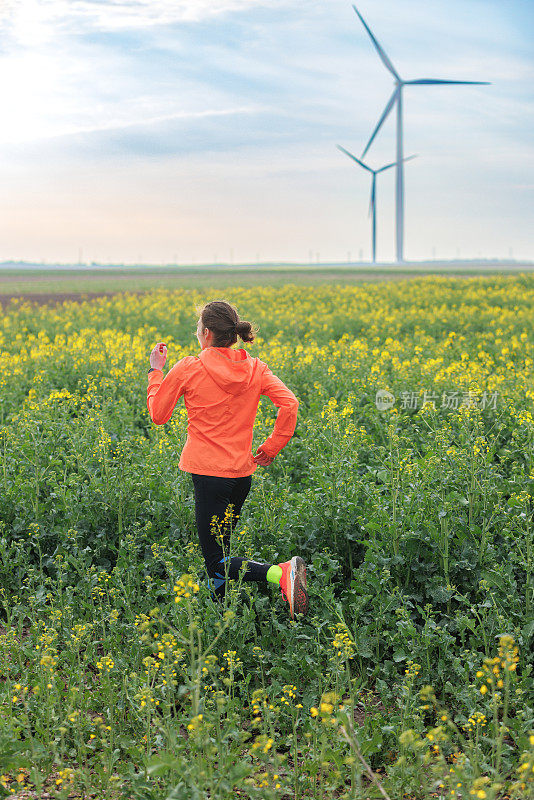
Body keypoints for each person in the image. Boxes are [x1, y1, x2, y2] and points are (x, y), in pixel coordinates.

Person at [146, 299, 308, 619]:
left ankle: (282, 574)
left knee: (216, 560)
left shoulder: (189, 367)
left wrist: (155, 372)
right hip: (240, 477)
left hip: (208, 477)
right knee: (221, 551)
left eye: (197, 330)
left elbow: (158, 415)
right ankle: (222, 613)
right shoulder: (255, 368)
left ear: (206, 333)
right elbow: (289, 404)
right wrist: (272, 446)